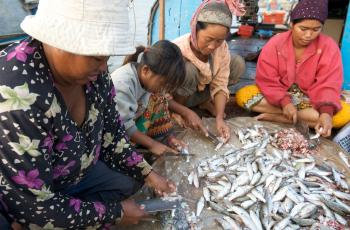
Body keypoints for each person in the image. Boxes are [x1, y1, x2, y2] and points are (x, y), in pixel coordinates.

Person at [0, 0, 175, 229]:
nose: (104, 68)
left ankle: (72, 213)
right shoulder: (18, 94)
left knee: (131, 183)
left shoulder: (95, 78)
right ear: (60, 41)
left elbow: (113, 136)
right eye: (97, 57)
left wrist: (148, 173)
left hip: (76, 174)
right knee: (32, 219)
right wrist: (114, 213)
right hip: (26, 198)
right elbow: (33, 205)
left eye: (106, 58)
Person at [236, 0, 350, 137]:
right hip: (278, 97)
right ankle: (299, 117)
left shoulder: (329, 47)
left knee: (343, 115)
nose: (308, 35)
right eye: (303, 29)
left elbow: (328, 84)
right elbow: (267, 79)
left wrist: (325, 113)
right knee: (243, 95)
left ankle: (282, 117)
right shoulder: (276, 43)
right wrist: (284, 102)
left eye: (316, 29)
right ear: (291, 24)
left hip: (311, 100)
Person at [172, 0, 246, 143]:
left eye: (219, 40)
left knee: (237, 63)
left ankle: (205, 102)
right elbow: (162, 94)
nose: (213, 46)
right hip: (178, 99)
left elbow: (221, 83)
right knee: (189, 70)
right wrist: (181, 111)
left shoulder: (221, 47)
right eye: (209, 39)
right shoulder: (178, 48)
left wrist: (219, 118)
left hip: (202, 92)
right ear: (195, 30)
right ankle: (178, 112)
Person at [111, 40, 188, 157]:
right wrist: (152, 145)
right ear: (146, 70)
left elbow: (161, 111)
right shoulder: (122, 84)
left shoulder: (150, 84)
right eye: (163, 83)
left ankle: (155, 139)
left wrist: (170, 138)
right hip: (113, 134)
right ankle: (134, 148)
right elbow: (123, 125)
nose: (164, 89)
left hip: (134, 124)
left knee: (160, 98)